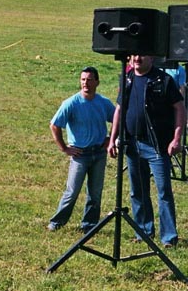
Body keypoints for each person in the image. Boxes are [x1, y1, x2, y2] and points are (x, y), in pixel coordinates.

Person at [108, 54, 187, 247]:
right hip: (132, 145)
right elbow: (119, 109)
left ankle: (169, 238)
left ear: (151, 58)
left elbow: (180, 108)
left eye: (141, 55)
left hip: (157, 146)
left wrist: (176, 139)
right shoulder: (127, 78)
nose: (137, 58)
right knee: (138, 190)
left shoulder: (163, 80)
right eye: (134, 55)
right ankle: (144, 231)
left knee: (164, 192)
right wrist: (112, 139)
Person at [47, 67, 115, 233]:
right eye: (83, 79)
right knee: (72, 191)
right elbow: (55, 125)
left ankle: (89, 225)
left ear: (97, 82)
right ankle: (56, 222)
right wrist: (64, 148)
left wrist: (110, 139)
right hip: (80, 155)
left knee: (95, 192)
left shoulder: (103, 103)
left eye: (89, 80)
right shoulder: (71, 103)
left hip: (99, 153)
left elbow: (118, 119)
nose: (86, 83)